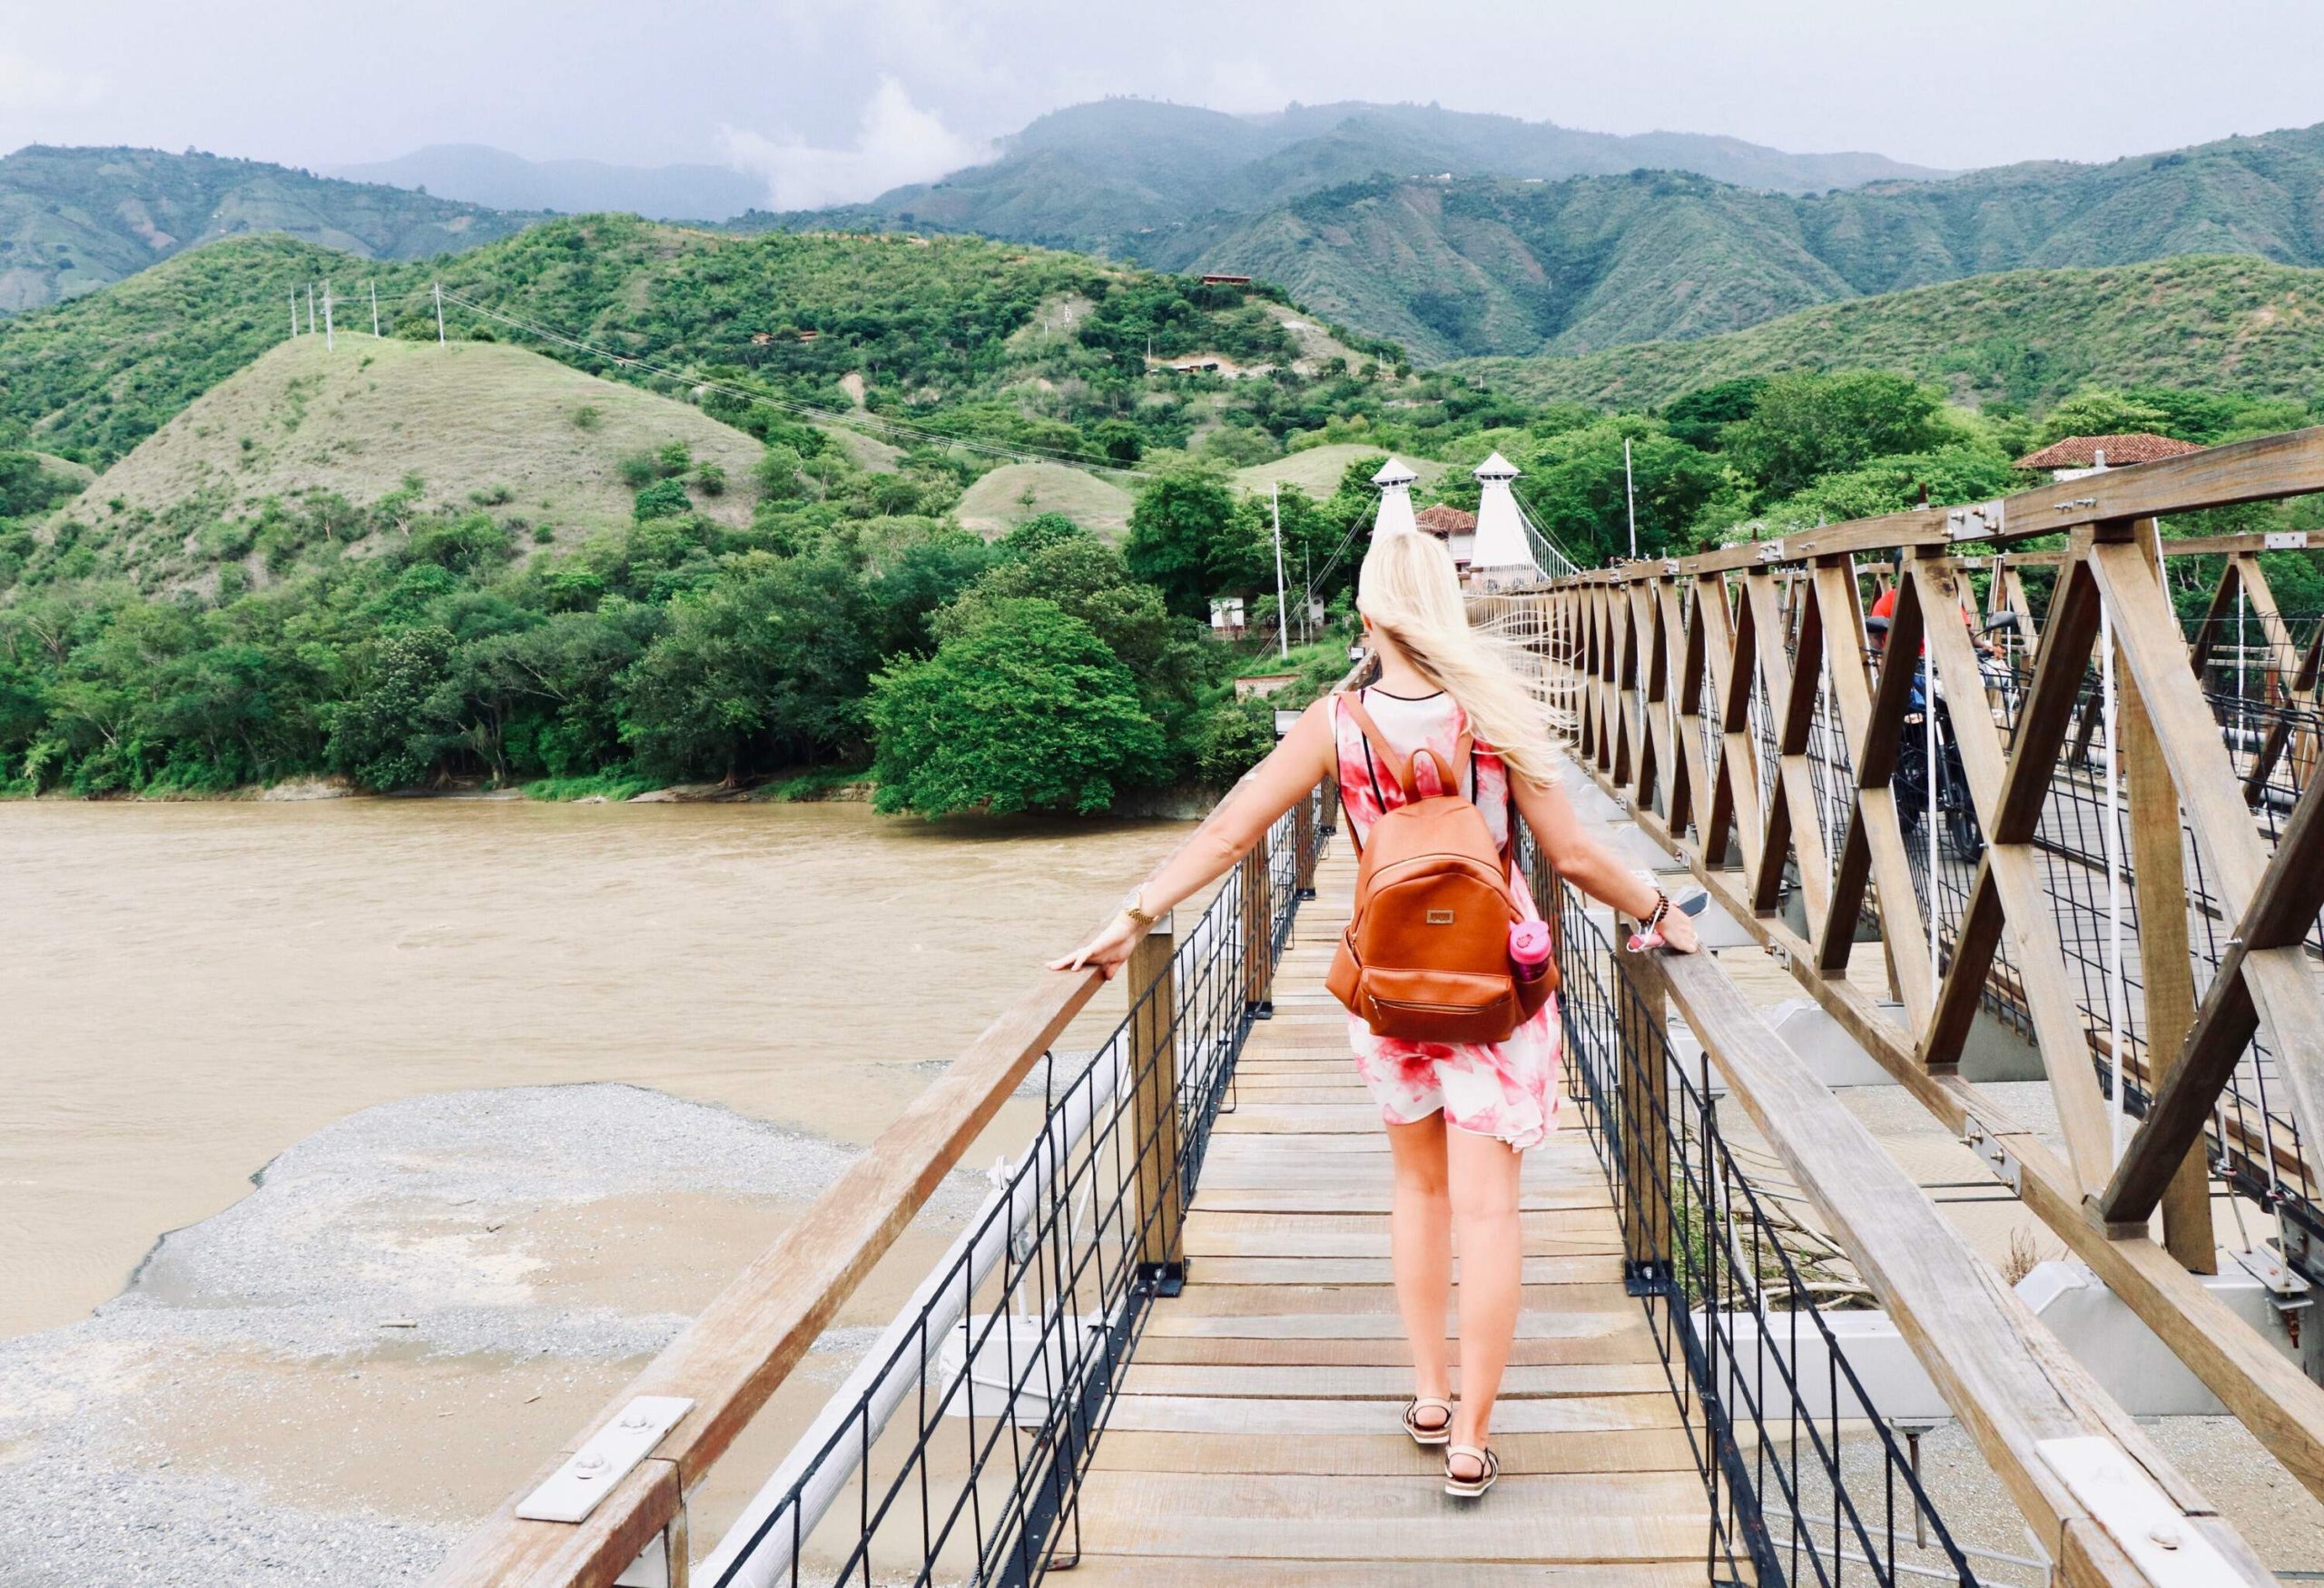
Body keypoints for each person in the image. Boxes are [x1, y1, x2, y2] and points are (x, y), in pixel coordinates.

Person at [1051, 530, 1699, 1498]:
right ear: (1451, 608)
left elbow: (1230, 834)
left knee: (1418, 1191)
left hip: (1387, 985)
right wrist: (1657, 911)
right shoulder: (1493, 717)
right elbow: (1572, 858)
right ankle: (1473, 1439)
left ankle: (1429, 1395)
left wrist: (1129, 919)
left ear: (1363, 615)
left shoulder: (1335, 721)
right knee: (1489, 1210)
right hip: (1499, 985)